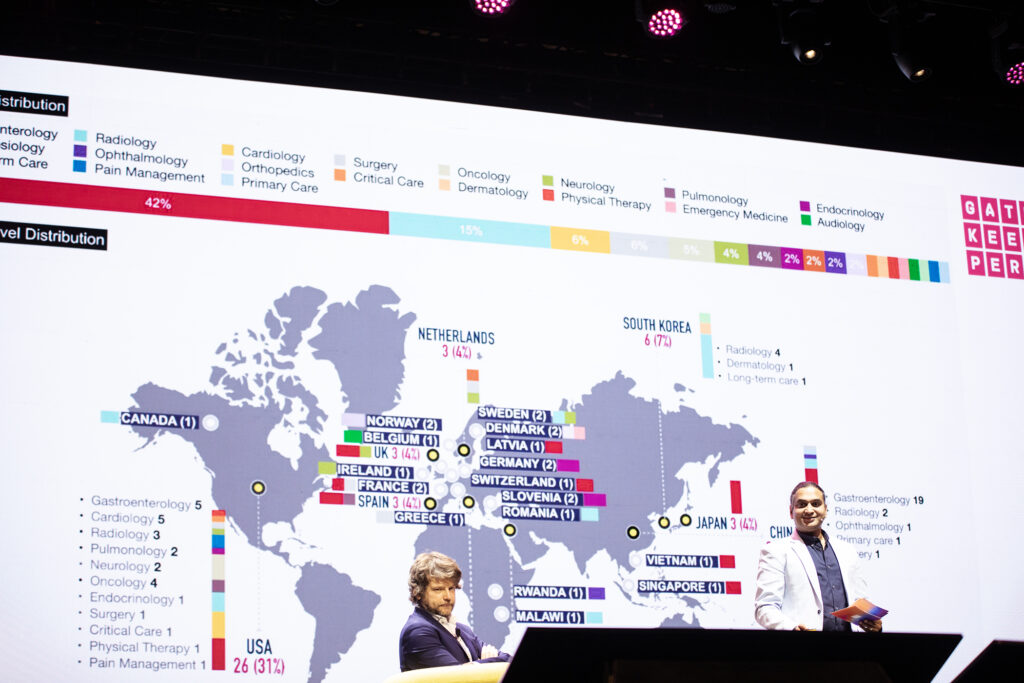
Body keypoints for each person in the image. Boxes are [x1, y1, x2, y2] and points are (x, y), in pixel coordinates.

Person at [754, 481, 883, 632]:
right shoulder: (776, 551)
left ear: (825, 510)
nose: (809, 510)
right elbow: (765, 607)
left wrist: (873, 624)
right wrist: (792, 628)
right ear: (791, 511)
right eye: (802, 504)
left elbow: (860, 601)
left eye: (815, 504)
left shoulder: (847, 550)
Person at [399, 551, 512, 671]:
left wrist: (476, 665)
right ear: (418, 593)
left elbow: (509, 660)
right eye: (438, 589)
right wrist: (487, 663)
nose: (448, 596)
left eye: (451, 588)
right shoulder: (417, 631)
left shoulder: (464, 630)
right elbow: (457, 675)